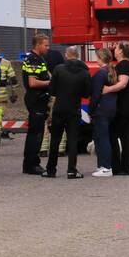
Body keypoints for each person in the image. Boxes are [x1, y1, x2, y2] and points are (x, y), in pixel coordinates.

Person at [44, 47, 92, 178]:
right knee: (72, 140)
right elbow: (87, 93)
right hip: (74, 109)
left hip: (59, 108)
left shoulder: (58, 69)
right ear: (77, 56)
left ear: (66, 55)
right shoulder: (84, 72)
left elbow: (52, 90)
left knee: (55, 139)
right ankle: (71, 170)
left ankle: (50, 170)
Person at [103, 42, 129, 175]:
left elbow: (123, 84)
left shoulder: (123, 65)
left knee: (114, 134)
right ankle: (124, 167)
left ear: (121, 51)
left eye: (117, 48)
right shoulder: (126, 65)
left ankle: (117, 166)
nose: (114, 50)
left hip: (124, 105)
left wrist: (107, 89)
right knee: (125, 134)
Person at [21, 34, 51, 175]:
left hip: (39, 99)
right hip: (36, 99)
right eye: (45, 45)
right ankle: (31, 164)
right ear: (37, 44)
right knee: (36, 133)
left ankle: (31, 163)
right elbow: (32, 82)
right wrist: (50, 83)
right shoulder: (33, 59)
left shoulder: (38, 58)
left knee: (37, 132)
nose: (47, 47)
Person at [90, 48, 118, 177]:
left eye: (97, 57)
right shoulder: (111, 71)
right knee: (105, 138)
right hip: (111, 108)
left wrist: (91, 109)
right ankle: (103, 166)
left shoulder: (100, 74)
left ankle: (106, 167)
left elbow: (95, 95)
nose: (96, 60)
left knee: (101, 139)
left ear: (101, 58)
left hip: (101, 109)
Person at [41, 46, 69, 158]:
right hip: (58, 98)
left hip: (44, 96)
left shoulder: (43, 68)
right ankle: (61, 149)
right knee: (60, 121)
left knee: (44, 122)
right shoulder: (61, 69)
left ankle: (43, 148)